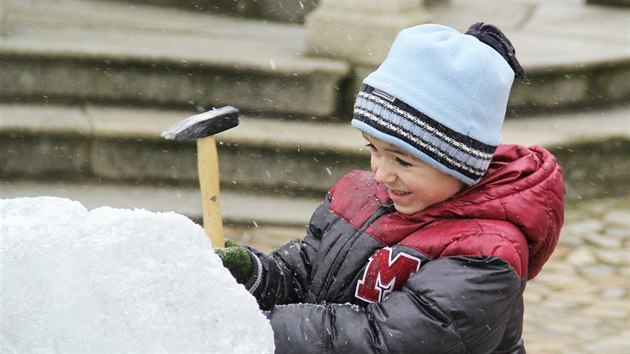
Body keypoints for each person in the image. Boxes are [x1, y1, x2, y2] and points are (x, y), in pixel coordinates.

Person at [216, 22, 565, 353]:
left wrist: (258, 325)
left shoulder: (486, 254)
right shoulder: (360, 197)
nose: (381, 174)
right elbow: (307, 271)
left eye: (402, 161)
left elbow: (387, 341)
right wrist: (253, 275)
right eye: (373, 150)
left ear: (459, 164)